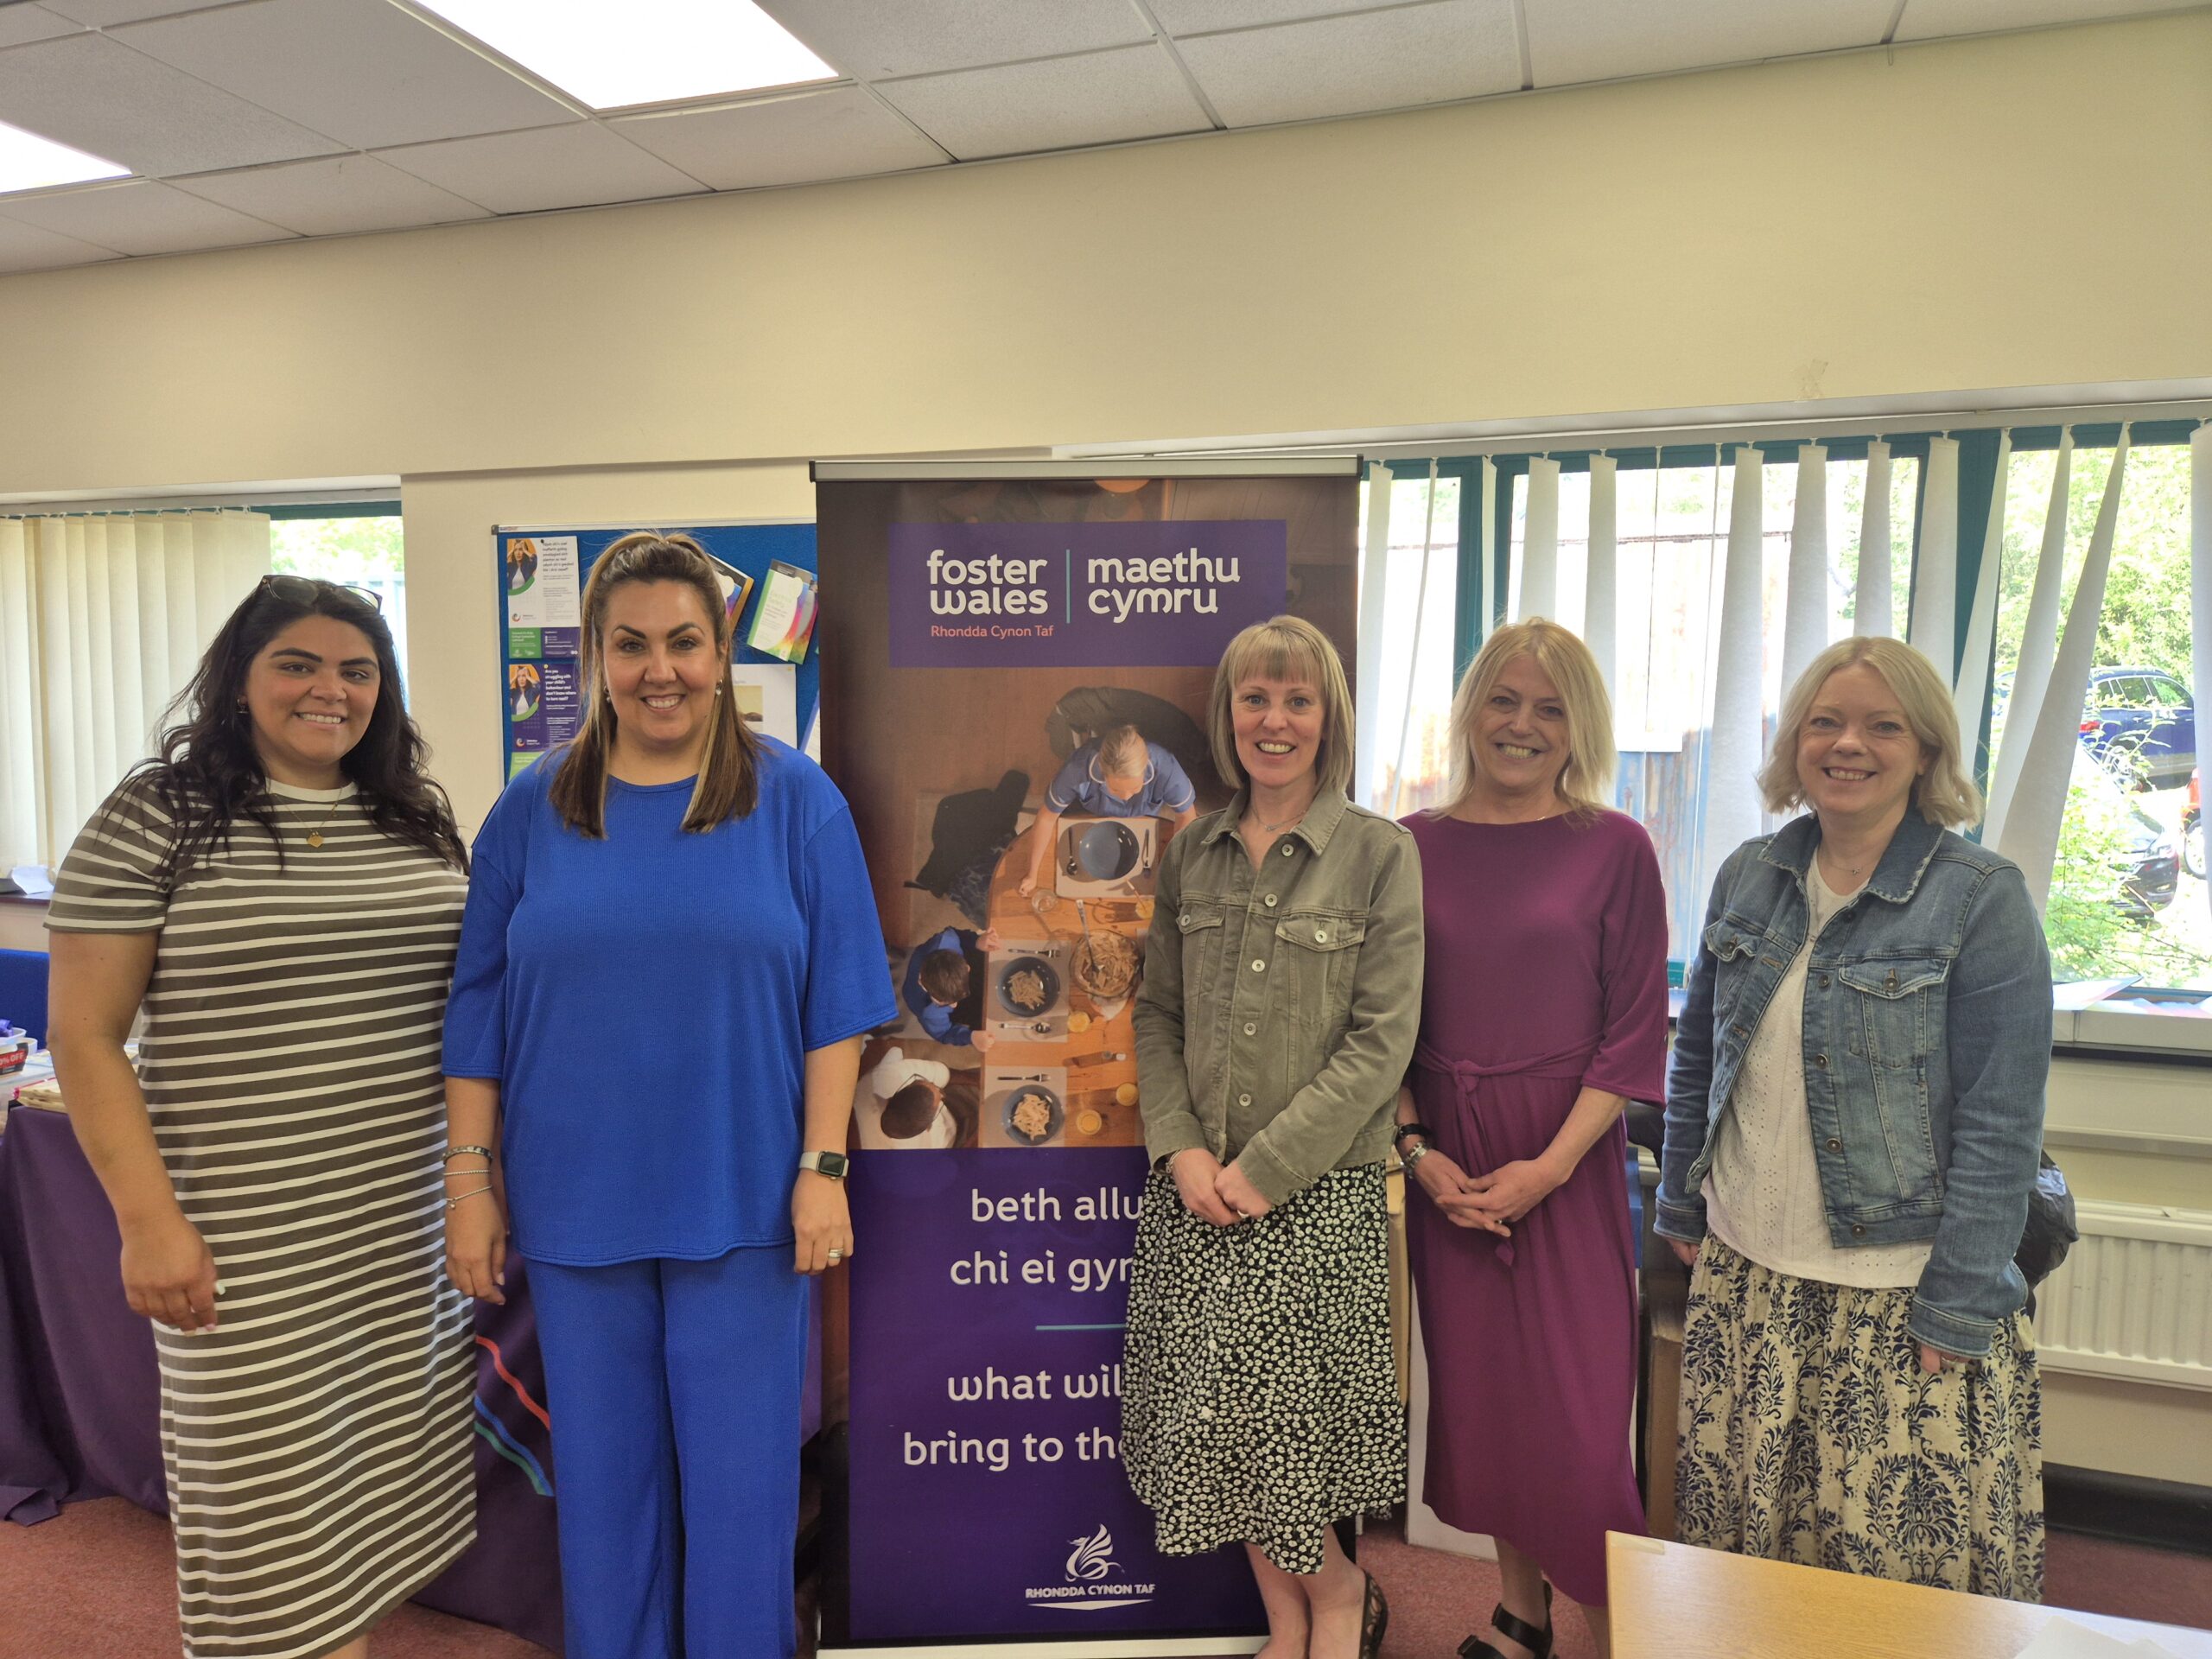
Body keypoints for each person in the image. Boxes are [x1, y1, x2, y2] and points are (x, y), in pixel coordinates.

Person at [442, 531, 897, 1658]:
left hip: (744, 1203)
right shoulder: (531, 809)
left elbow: (839, 1005)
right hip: (575, 1206)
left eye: (684, 642)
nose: (661, 670)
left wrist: (823, 1167)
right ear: (596, 655)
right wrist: (470, 1182)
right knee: (605, 1506)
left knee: (743, 1506)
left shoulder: (796, 801)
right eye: (631, 644)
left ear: (719, 651)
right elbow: (477, 1009)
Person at [45, 575, 474, 1659]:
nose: (330, 689)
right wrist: (148, 1223)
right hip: (245, 1243)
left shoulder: (411, 818)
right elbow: (85, 1038)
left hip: (398, 1238)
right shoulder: (160, 817)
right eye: (298, 664)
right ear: (240, 680)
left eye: (357, 670)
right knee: (267, 1533)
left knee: (370, 1513)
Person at [1660, 635, 2050, 1601]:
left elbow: (2001, 1123)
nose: (1847, 745)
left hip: (1894, 1296)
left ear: (1925, 753)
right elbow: (1698, 1053)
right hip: (1749, 1278)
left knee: (1885, 1584)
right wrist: (1679, 1202)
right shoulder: (1749, 874)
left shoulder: (1981, 898)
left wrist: (1957, 1303)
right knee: (1749, 1566)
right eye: (1825, 722)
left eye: (1882, 726)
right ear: (1795, 741)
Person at [1123, 614, 1420, 1659]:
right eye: (1256, 698)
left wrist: (1266, 1169)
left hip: (1313, 1201)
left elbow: (1382, 1042)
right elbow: (1156, 1014)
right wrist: (1181, 1149)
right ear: (1228, 714)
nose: (1275, 720)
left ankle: (1338, 1601)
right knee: (1219, 1436)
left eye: (1298, 700)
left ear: (1328, 718)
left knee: (1290, 1445)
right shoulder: (1190, 853)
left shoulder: (1380, 855)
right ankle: (1285, 1622)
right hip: (1197, 1195)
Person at [1394, 620, 1668, 1659]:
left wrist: (1546, 1170)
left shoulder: (1615, 847)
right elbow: (1380, 1026)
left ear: (1578, 726)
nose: (1522, 725)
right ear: (1470, 711)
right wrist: (1419, 1157)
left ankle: (1624, 1641)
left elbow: (1633, 1037)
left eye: (1550, 708)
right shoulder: (1405, 847)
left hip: (1567, 1169)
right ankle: (1520, 1615)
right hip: (1448, 1170)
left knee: (1577, 1437)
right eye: (1503, 701)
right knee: (1489, 1416)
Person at [1019, 722, 1198, 895]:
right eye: (1116, 789)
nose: (1126, 797)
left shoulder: (1167, 768)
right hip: (1091, 821)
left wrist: (1170, 871)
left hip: (1144, 823)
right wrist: (1031, 874)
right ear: (1102, 772)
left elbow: (1187, 816)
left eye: (1135, 788)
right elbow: (1046, 818)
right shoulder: (1077, 769)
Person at [899, 922, 1000, 1051]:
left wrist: (976, 941)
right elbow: (943, 1033)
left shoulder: (947, 939)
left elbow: (959, 935)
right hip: (932, 996)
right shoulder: (930, 1013)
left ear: (967, 968)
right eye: (947, 1003)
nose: (954, 1005)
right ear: (920, 982)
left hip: (952, 962)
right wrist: (971, 1037)